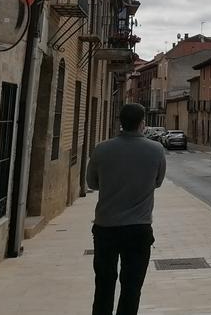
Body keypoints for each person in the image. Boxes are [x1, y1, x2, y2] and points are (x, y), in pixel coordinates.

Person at [87, 102, 166, 315]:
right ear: (142, 123)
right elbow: (157, 182)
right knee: (132, 288)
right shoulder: (156, 150)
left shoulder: (101, 149)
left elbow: (91, 184)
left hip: (106, 228)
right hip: (139, 229)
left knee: (103, 285)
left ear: (120, 122)